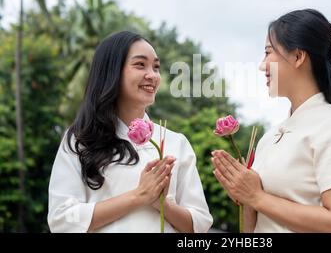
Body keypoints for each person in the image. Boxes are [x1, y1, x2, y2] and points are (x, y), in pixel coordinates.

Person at [212, 9, 331, 232]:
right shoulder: (268, 139)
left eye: (268, 53)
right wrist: (245, 199)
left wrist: (257, 197)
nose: (262, 65)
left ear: (298, 56)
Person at [48, 31, 213, 233]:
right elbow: (61, 218)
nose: (152, 75)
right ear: (112, 71)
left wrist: (163, 205)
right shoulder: (80, 139)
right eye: (140, 65)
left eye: (156, 67)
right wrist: (139, 195)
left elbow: (200, 224)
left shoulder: (176, 143)